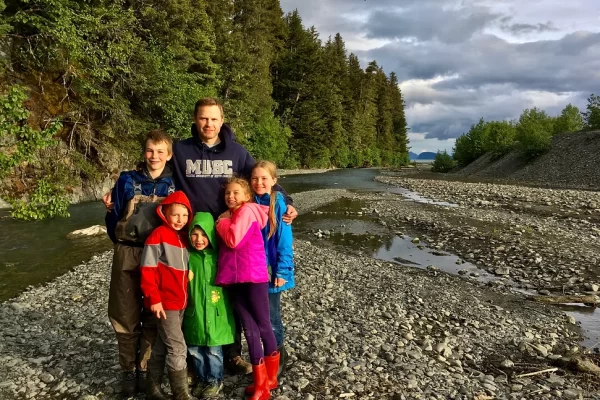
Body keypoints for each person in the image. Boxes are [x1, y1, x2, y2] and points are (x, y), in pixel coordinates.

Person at [103, 97, 299, 374]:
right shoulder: (182, 150)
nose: (208, 124)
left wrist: (287, 200)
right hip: (191, 235)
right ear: (196, 120)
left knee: (230, 298)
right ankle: (193, 357)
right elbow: (155, 168)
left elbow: (262, 179)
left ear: (222, 120)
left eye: (214, 118)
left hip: (230, 237)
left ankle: (232, 353)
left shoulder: (238, 152)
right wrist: (119, 190)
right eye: (203, 118)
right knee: (191, 294)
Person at [104, 129, 175, 396]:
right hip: (128, 252)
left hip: (160, 254)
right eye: (149, 150)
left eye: (159, 152)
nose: (154, 156)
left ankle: (145, 367)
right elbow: (113, 218)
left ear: (169, 155)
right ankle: (128, 370)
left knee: (153, 312)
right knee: (124, 313)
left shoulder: (176, 182)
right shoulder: (126, 180)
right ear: (143, 152)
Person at [215, 178, 279, 400]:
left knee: (262, 326)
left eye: (236, 193)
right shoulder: (234, 214)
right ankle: (262, 382)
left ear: (247, 196)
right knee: (250, 329)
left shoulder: (247, 211)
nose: (230, 196)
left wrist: (220, 223)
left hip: (252, 277)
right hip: (237, 278)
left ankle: (268, 381)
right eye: (227, 193)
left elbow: (233, 240)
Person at [140, 191, 193, 400]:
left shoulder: (183, 239)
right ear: (165, 214)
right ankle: (181, 393)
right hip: (165, 303)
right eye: (175, 215)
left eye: (184, 215)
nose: (180, 220)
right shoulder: (158, 235)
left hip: (180, 302)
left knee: (163, 345)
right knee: (178, 347)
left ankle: (152, 388)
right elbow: (147, 269)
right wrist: (153, 298)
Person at [249, 161, 294, 387]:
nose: (259, 183)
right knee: (256, 318)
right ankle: (264, 358)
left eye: (264, 178)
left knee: (272, 317)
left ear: (274, 181)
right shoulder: (248, 201)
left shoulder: (279, 203)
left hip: (271, 270)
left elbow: (285, 240)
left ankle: (279, 358)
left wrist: (283, 270)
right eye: (255, 178)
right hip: (252, 269)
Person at [183, 212, 236, 399]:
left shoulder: (219, 256)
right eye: (195, 234)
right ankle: (202, 378)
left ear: (212, 235)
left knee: (214, 350)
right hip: (194, 311)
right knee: (195, 349)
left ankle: (215, 380)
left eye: (204, 234)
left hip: (215, 311)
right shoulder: (187, 256)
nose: (199, 239)